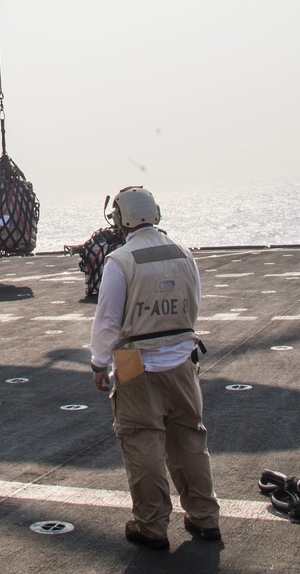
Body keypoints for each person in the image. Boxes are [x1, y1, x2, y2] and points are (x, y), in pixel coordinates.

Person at [90, 185, 221, 551]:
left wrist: (100, 364)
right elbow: (193, 303)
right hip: (182, 358)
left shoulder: (121, 261)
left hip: (136, 363)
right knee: (189, 438)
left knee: (142, 440)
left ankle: (152, 525)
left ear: (121, 219)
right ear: (155, 213)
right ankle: (205, 517)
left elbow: (107, 322)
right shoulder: (183, 254)